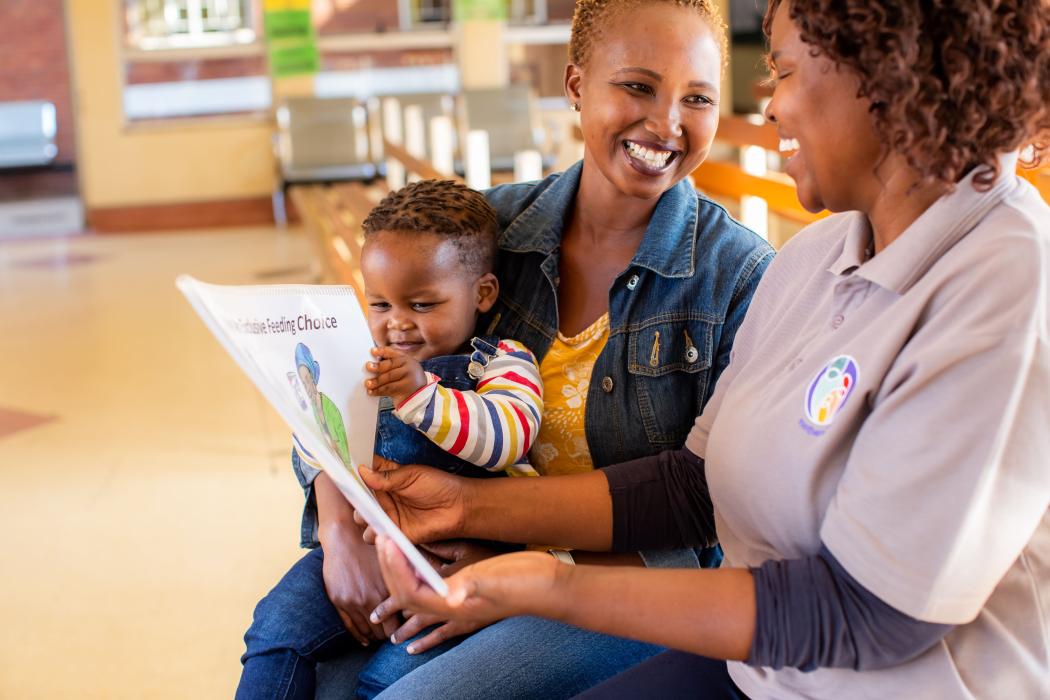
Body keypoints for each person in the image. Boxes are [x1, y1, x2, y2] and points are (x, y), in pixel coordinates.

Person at [366, 0, 1050, 698]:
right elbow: (694, 484)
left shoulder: (1007, 284)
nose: (773, 106)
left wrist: (552, 585)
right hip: (763, 671)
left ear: (889, 76)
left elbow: (867, 616)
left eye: (782, 71)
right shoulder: (816, 255)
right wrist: (456, 511)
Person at [301, 1, 774, 697]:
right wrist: (340, 534)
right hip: (461, 544)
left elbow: (706, 496)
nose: (667, 122)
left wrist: (488, 530)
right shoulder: (485, 232)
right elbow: (338, 383)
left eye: (697, 98)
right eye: (638, 87)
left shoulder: (738, 275)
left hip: (635, 577)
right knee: (308, 674)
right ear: (577, 85)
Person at [236, 179, 543, 699]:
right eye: (379, 304)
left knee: (387, 681)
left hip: (454, 562)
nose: (397, 325)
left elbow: (508, 436)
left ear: (482, 293)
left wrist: (423, 393)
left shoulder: (501, 359)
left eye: (422, 305)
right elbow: (315, 434)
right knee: (274, 629)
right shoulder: (361, 360)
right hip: (361, 544)